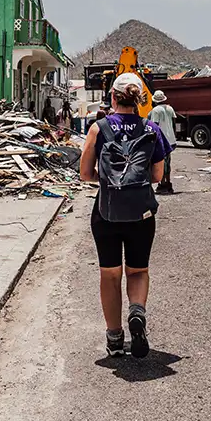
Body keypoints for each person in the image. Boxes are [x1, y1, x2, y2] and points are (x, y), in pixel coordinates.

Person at [79, 73, 172, 358]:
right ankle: (137, 312)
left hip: (106, 212)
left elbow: (85, 175)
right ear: (139, 100)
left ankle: (115, 337)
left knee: (110, 275)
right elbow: (157, 175)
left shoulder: (99, 128)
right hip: (141, 213)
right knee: (138, 270)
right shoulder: (152, 128)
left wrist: (108, 181)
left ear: (113, 98)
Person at [148, 90, 177, 194]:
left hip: (161, 140)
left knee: (161, 162)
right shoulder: (170, 108)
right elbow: (174, 124)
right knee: (168, 162)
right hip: (171, 140)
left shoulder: (156, 110)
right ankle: (168, 183)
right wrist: (174, 137)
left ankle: (162, 184)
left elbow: (154, 126)